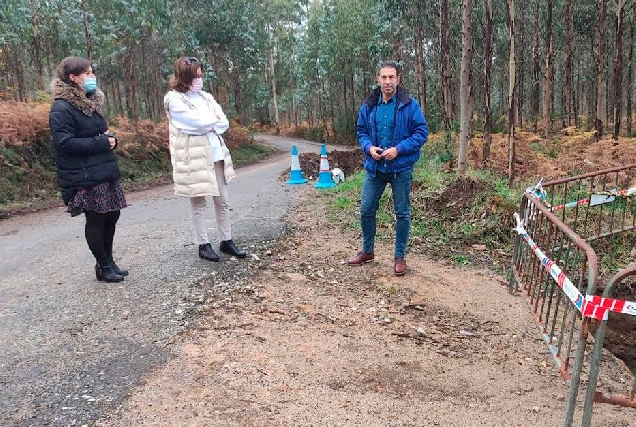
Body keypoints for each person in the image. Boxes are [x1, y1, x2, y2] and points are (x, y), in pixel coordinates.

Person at [49, 56, 128, 283]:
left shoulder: (91, 103)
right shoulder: (61, 108)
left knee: (111, 215)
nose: (92, 77)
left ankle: (108, 262)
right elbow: (65, 143)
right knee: (96, 219)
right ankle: (103, 265)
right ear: (73, 78)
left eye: (92, 72)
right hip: (83, 175)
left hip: (103, 170)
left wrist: (112, 139)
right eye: (87, 74)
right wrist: (103, 142)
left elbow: (102, 133)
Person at [348, 61, 429, 276]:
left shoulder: (409, 105)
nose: (387, 81)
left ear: (398, 79)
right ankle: (367, 251)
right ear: (378, 79)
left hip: (400, 169)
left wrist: (399, 149)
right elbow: (361, 130)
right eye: (384, 77)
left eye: (391, 77)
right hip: (375, 168)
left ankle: (399, 257)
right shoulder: (369, 105)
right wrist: (368, 147)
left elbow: (421, 133)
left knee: (402, 213)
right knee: (366, 209)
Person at [163, 56, 247, 262]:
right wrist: (211, 122)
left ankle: (226, 241)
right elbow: (191, 123)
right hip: (194, 159)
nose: (200, 79)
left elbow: (223, 123)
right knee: (199, 202)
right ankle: (203, 244)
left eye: (201, 74)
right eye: (196, 75)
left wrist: (209, 123)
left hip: (216, 155)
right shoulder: (174, 99)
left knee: (223, 200)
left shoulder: (206, 97)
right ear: (184, 77)